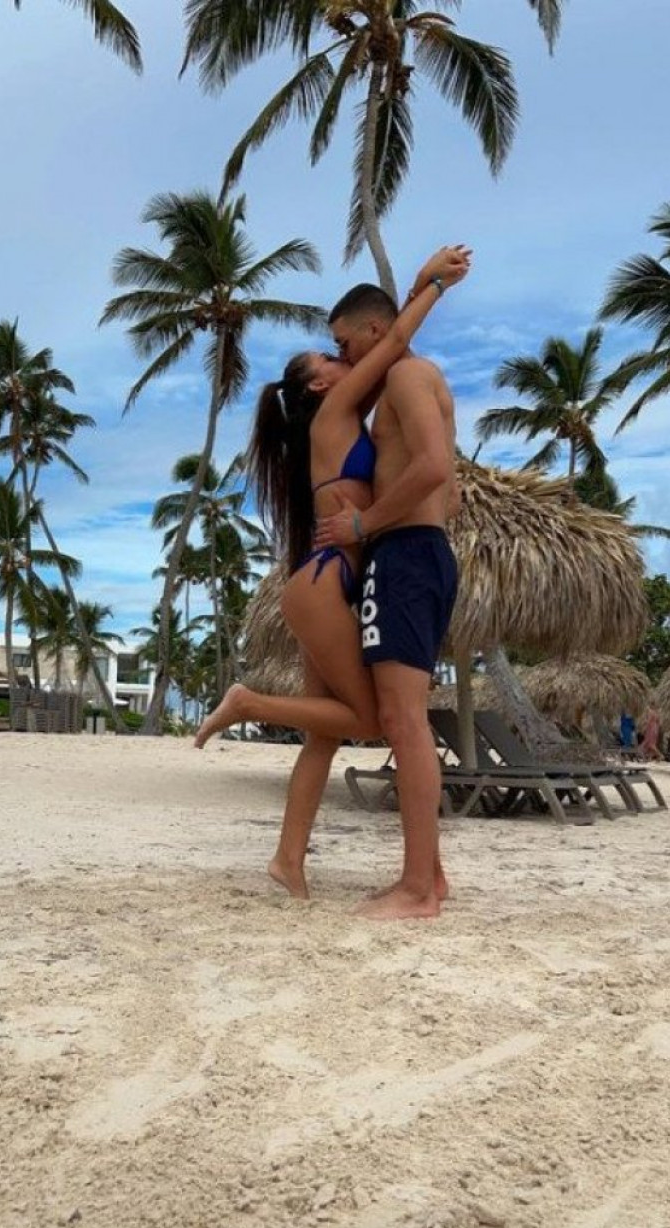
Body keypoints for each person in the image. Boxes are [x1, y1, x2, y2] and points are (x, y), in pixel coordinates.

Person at [194, 246, 471, 905]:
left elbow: (394, 358)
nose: (342, 358)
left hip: (328, 581)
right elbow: (393, 339)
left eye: (342, 347)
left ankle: (288, 861)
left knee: (326, 731)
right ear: (321, 385)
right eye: (333, 356)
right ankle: (248, 703)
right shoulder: (336, 409)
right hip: (327, 581)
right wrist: (429, 284)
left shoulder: (350, 411)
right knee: (371, 720)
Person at [309, 279, 462, 921]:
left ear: (374, 331)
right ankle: (430, 878)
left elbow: (434, 469)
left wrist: (363, 526)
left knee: (403, 721)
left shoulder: (406, 376)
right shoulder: (414, 381)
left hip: (405, 557)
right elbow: (448, 491)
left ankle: (417, 890)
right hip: (418, 552)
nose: (343, 356)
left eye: (344, 343)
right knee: (405, 720)